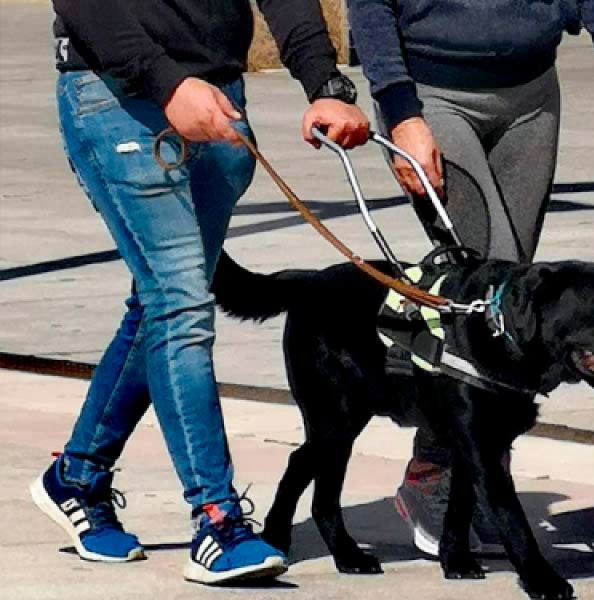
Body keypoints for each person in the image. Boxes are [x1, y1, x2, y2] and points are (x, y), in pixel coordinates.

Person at [31, 0, 368, 585]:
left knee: (159, 305)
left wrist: (326, 81)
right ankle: (216, 520)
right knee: (182, 305)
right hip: (117, 98)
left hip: (219, 107)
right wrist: (167, 83)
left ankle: (77, 478)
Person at [347, 0, 594, 555]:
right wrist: (400, 110)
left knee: (513, 303)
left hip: (531, 95)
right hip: (433, 96)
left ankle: (478, 479)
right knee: (487, 289)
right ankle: (435, 474)